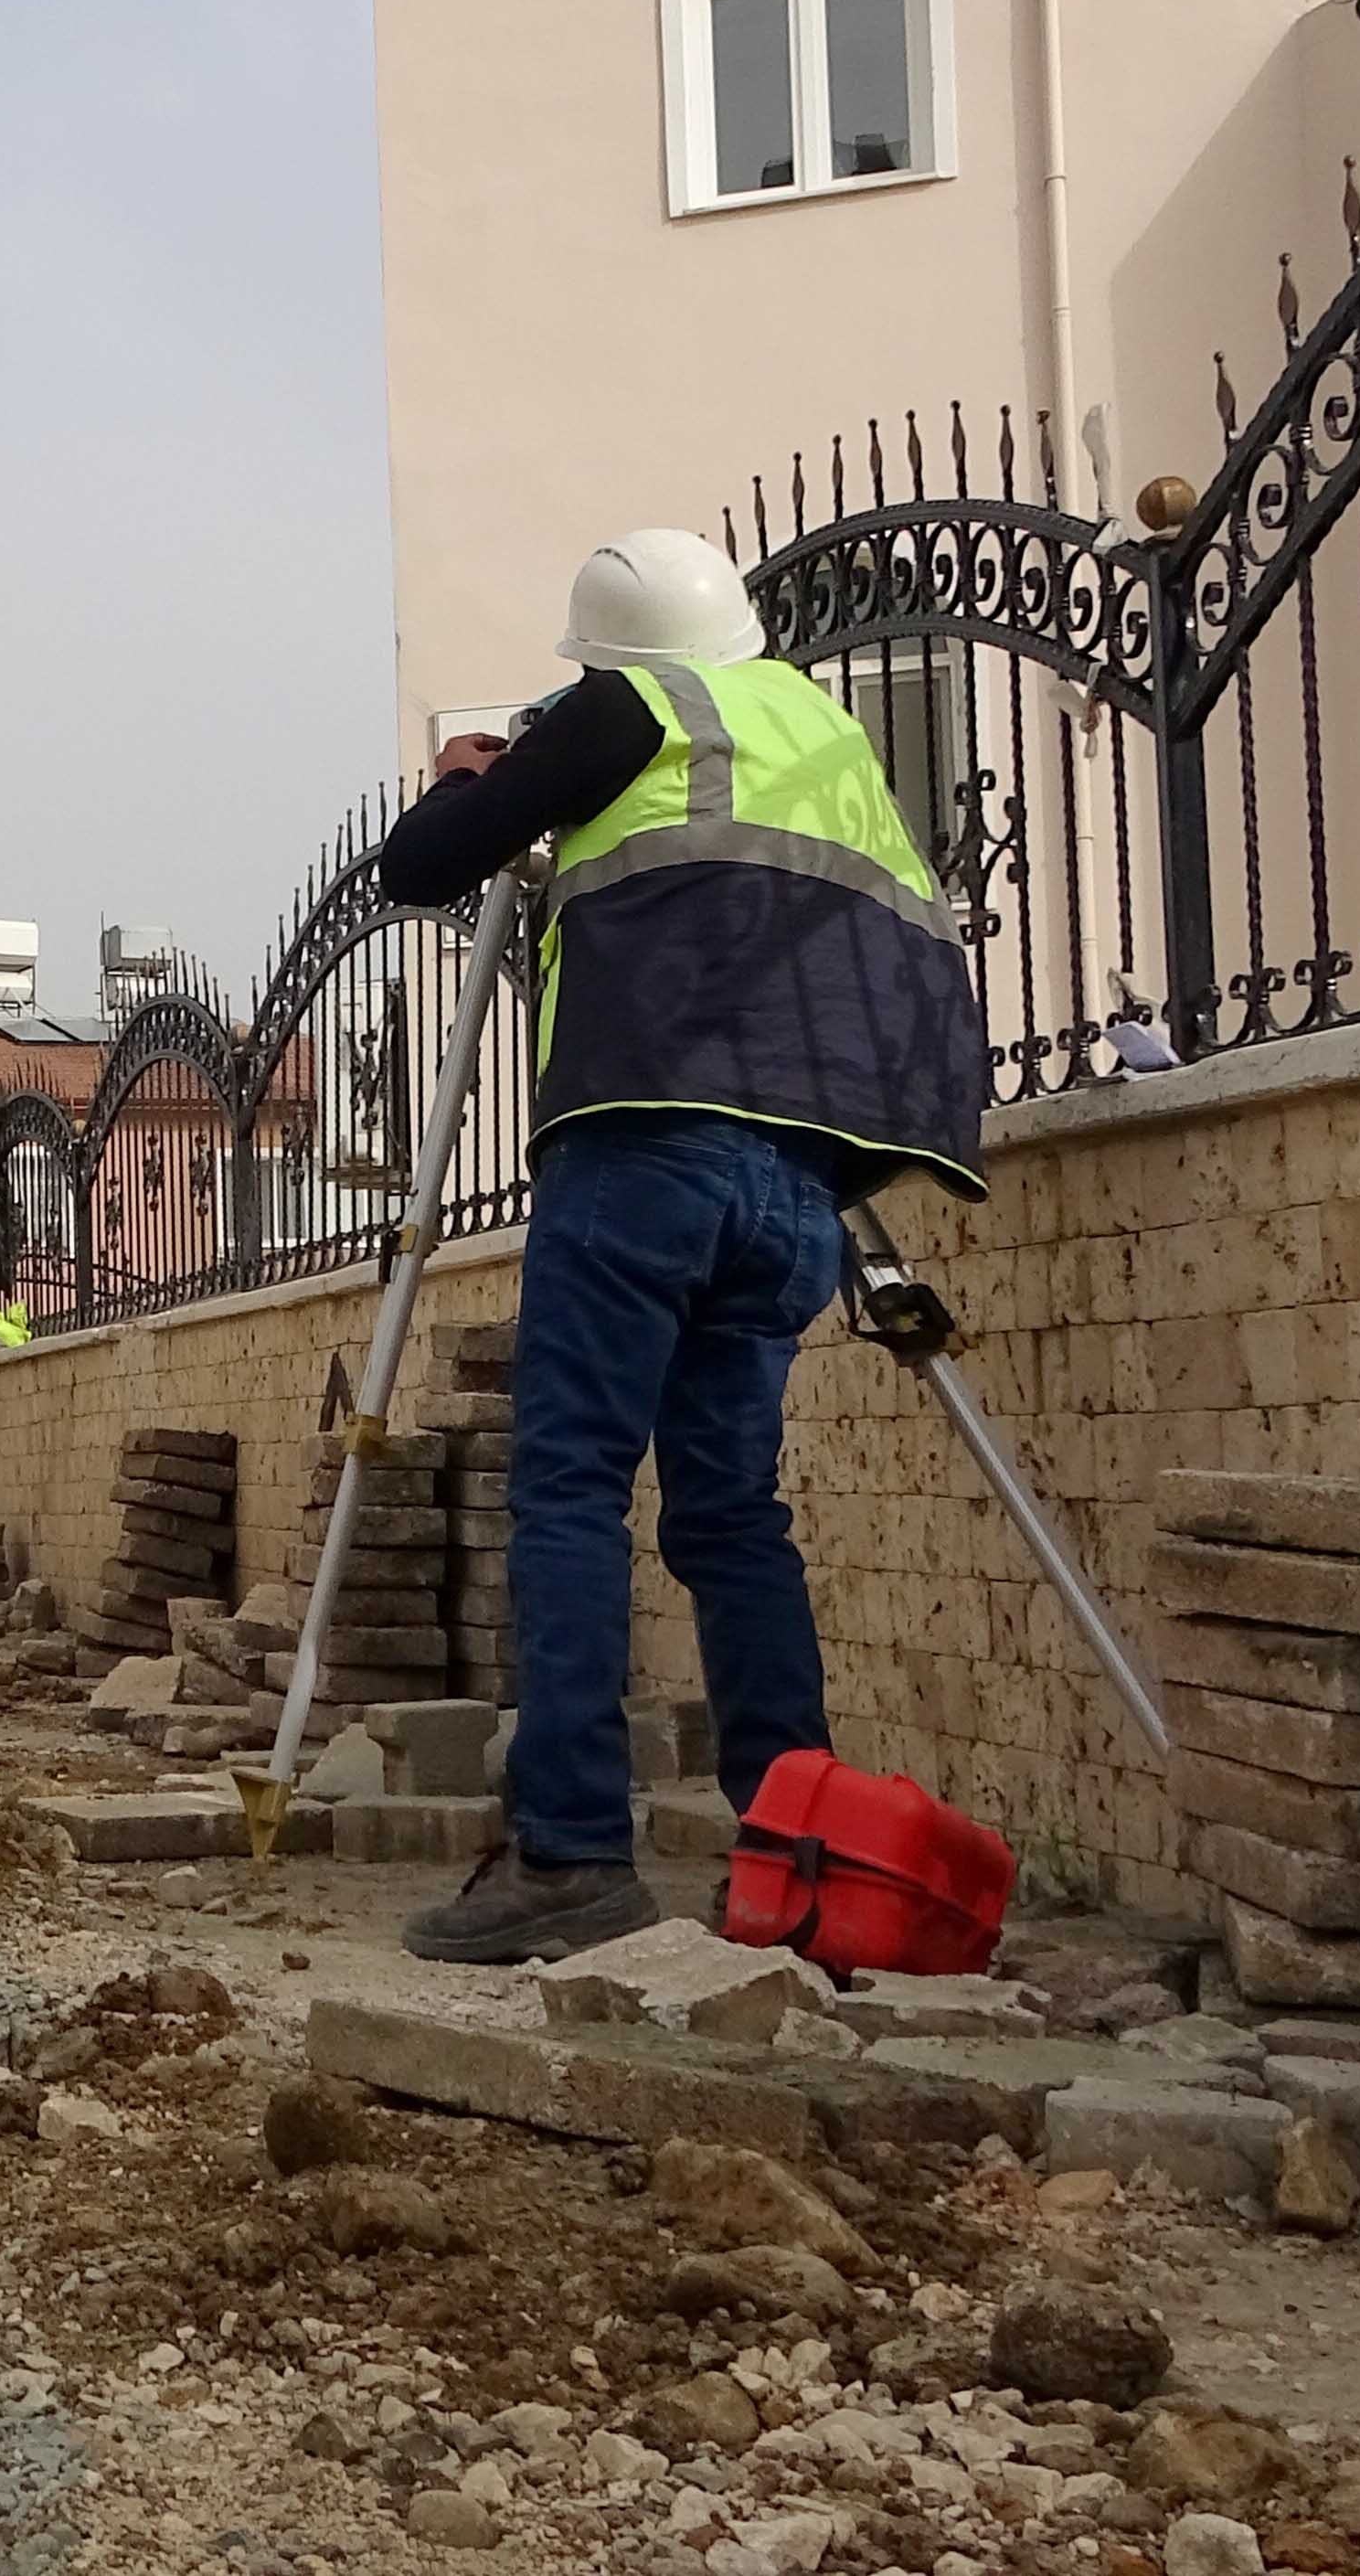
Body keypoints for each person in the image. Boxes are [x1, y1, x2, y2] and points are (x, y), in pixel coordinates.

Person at [372, 527, 985, 1965]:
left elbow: (423, 865)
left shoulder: (631, 704)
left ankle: (571, 1851)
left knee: (570, 1485)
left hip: (648, 1139)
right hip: (809, 1181)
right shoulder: (824, 729)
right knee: (727, 1511)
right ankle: (803, 1856)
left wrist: (472, 779)